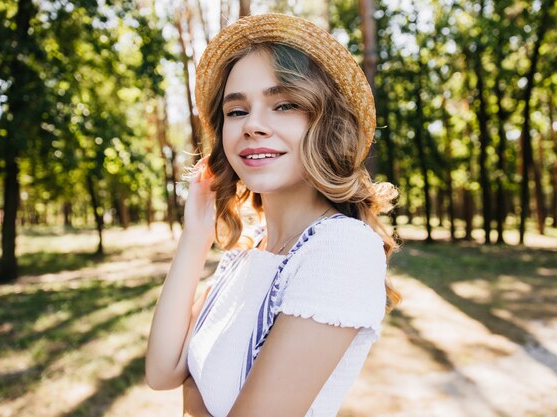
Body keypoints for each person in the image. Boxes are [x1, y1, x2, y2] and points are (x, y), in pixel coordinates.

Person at [145, 13, 401, 417]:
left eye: (284, 104)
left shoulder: (341, 248)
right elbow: (162, 372)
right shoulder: (250, 249)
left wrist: (194, 395)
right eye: (236, 111)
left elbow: (193, 390)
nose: (254, 125)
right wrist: (195, 237)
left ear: (326, 123)